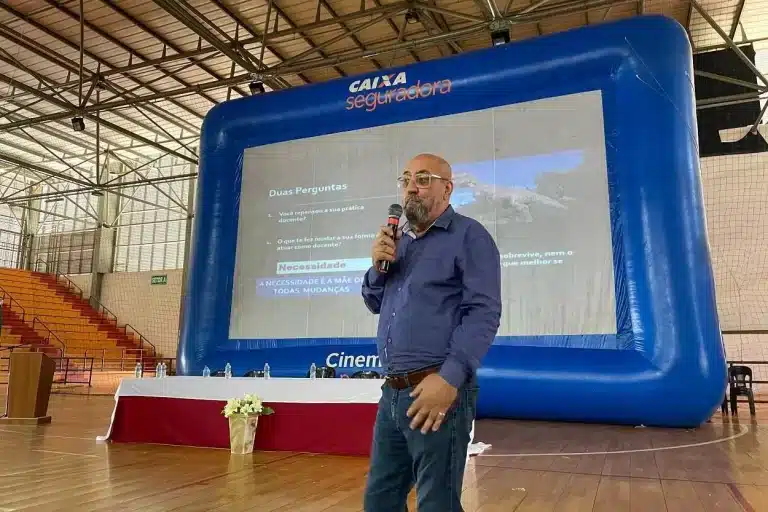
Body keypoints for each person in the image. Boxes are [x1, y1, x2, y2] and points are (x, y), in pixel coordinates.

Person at [361, 153, 502, 511]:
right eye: (406, 179)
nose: (411, 187)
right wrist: (377, 266)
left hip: (436, 391)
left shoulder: (470, 236)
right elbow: (374, 301)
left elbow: (483, 312)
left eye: (423, 179)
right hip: (392, 393)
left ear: (447, 189)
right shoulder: (400, 242)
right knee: (380, 501)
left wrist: (449, 378)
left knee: (436, 503)